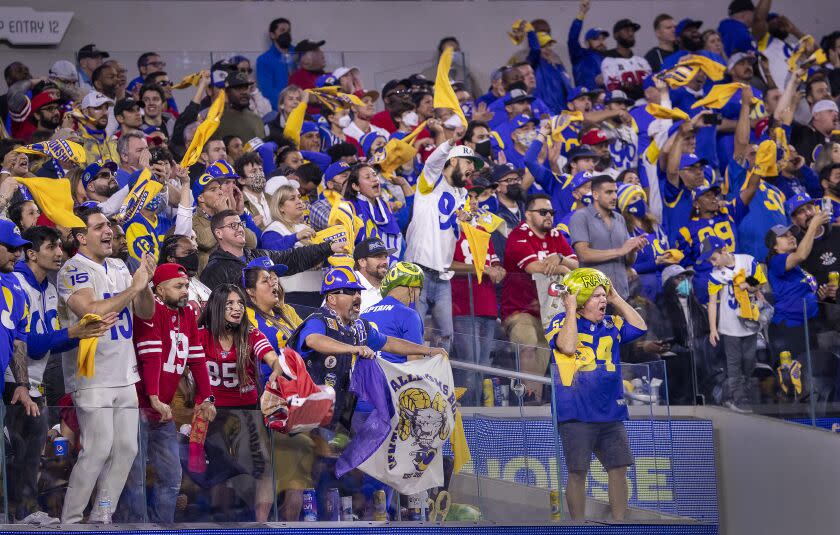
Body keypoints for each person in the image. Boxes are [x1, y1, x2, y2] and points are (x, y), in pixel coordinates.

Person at [57, 206, 156, 524]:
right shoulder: (73, 269)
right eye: (99, 227)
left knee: (127, 449)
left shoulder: (119, 265)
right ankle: (70, 520)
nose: (109, 230)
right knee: (98, 449)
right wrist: (134, 288)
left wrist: (146, 283)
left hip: (124, 373)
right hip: (91, 375)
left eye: (110, 224)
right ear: (82, 237)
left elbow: (145, 313)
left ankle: (103, 513)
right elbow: (91, 309)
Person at [288, 267, 447, 433]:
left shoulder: (359, 326)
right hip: (308, 413)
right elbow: (313, 339)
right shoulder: (318, 319)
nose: (357, 296)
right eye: (350, 291)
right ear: (332, 298)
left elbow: (389, 343)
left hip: (340, 413)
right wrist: (353, 348)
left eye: (359, 291)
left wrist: (427, 351)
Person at [545, 268, 647, 520]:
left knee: (619, 467)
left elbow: (641, 327)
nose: (602, 300)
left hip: (611, 409)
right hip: (576, 410)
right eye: (595, 296)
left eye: (603, 295)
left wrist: (616, 299)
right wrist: (570, 309)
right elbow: (567, 346)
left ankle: (619, 523)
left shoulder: (612, 323)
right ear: (579, 300)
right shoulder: (560, 320)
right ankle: (579, 526)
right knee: (578, 471)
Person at [116, 263, 215, 523]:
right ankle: (137, 528)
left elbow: (197, 359)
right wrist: (154, 396)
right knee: (135, 477)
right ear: (159, 289)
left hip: (162, 409)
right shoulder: (150, 311)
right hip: (137, 407)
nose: (185, 292)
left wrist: (207, 397)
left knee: (172, 477)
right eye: (178, 286)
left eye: (186, 286)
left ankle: (164, 526)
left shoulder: (188, 316)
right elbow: (150, 355)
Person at [197, 284, 287, 522]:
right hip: (211, 414)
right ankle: (218, 522)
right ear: (217, 308)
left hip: (248, 412)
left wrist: (276, 372)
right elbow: (183, 370)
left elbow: (271, 359)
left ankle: (260, 523)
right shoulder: (201, 337)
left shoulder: (251, 334)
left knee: (264, 468)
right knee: (215, 471)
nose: (237, 309)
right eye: (230, 304)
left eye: (239, 303)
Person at [404, 140, 484, 354]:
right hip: (416, 270)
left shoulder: (463, 195)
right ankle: (413, 379)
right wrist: (448, 142)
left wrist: (470, 219)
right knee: (414, 331)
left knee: (446, 334)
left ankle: (436, 377)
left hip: (443, 275)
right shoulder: (430, 182)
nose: (472, 169)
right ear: (454, 160)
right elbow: (432, 162)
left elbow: (474, 228)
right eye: (469, 162)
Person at [502, 194, 578, 403]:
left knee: (544, 354)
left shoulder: (555, 234)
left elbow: (577, 264)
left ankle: (535, 402)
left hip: (547, 311)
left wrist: (560, 258)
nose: (549, 216)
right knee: (528, 344)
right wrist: (562, 266)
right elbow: (533, 267)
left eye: (551, 213)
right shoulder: (519, 235)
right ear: (528, 214)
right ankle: (526, 400)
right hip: (519, 310)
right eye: (543, 212)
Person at [200, 209, 340, 289]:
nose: (240, 229)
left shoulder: (258, 255)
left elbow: (294, 257)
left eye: (240, 224)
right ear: (218, 233)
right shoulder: (214, 270)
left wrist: (328, 247)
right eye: (232, 226)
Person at [704, 237, 767, 412]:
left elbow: (761, 281)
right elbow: (712, 302)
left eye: (713, 258)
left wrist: (748, 285)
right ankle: (737, 398)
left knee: (749, 361)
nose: (712, 263)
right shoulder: (715, 275)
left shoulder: (747, 260)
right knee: (734, 363)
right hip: (729, 324)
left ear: (724, 250)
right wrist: (713, 329)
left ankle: (740, 393)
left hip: (749, 322)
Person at [765, 216, 831, 362]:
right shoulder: (776, 261)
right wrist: (813, 226)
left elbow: (799, 295)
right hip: (789, 329)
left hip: (807, 326)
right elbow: (801, 254)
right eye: (783, 236)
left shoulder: (798, 269)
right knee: (794, 378)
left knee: (810, 375)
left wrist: (820, 295)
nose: (791, 237)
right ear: (774, 246)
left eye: (791, 234)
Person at [569, 175, 647, 299]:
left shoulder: (619, 219)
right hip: (594, 297)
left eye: (615, 192)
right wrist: (620, 251)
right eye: (609, 192)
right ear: (595, 195)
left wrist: (632, 250)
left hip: (622, 295)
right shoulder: (580, 217)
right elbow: (584, 254)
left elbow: (627, 261)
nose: (614, 197)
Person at [601, 18, 652, 100]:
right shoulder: (609, 61)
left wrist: (631, 88)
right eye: (627, 30)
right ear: (616, 35)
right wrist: (640, 89)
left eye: (632, 30)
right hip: (626, 108)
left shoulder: (642, 61)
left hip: (649, 107)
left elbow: (651, 88)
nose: (631, 33)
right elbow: (615, 91)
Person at [257, 18, 296, 111]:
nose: (286, 34)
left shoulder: (298, 54)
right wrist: (285, 108)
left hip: (302, 107)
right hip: (279, 110)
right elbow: (267, 91)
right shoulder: (264, 60)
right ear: (272, 35)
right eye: (282, 30)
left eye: (288, 31)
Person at [567, 0, 607, 88]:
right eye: (596, 39)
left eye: (603, 39)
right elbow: (572, 38)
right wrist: (581, 13)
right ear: (587, 43)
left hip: (606, 100)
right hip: (587, 98)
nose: (601, 42)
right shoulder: (580, 55)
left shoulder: (609, 60)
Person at [216, 72, 265, 142]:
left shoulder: (256, 119)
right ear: (227, 92)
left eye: (246, 88)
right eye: (238, 88)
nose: (244, 92)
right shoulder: (217, 120)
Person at [352, 238, 396, 313]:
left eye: (385, 257)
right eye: (378, 257)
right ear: (362, 262)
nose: (385, 262)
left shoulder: (389, 289)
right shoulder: (349, 288)